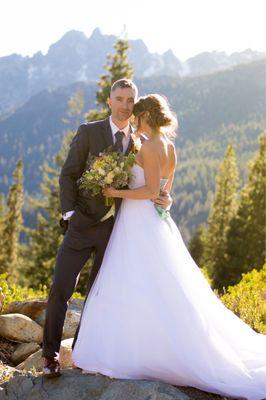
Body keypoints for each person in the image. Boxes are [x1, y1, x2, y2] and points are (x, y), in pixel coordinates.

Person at [72, 94, 266, 400]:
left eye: (137, 114)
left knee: (133, 278)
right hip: (155, 222)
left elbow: (150, 191)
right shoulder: (169, 148)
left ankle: (131, 350)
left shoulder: (149, 146)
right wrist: (164, 198)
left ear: (146, 114)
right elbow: (164, 193)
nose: (134, 118)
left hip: (138, 223)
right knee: (157, 282)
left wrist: (114, 191)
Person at [42, 80, 173, 377]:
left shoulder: (140, 141)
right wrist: (70, 213)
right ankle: (49, 354)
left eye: (131, 100)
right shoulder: (89, 132)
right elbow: (68, 175)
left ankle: (82, 351)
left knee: (99, 294)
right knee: (61, 287)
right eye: (120, 99)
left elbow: (153, 183)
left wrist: (166, 197)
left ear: (136, 104)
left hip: (116, 230)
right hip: (80, 225)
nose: (125, 105)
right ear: (108, 101)